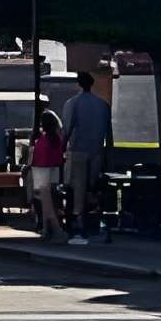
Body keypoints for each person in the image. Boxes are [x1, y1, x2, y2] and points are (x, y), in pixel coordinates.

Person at [63, 66, 114, 241]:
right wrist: (109, 154)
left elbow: (68, 129)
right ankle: (94, 220)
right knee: (92, 188)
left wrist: (61, 148)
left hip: (78, 150)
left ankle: (79, 222)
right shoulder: (103, 105)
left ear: (79, 84)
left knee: (77, 189)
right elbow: (109, 134)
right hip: (97, 151)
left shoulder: (73, 103)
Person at [26, 103, 67, 240]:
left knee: (45, 201)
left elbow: (34, 160)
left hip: (41, 172)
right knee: (48, 200)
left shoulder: (40, 141)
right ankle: (47, 228)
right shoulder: (57, 140)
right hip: (54, 172)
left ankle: (55, 229)